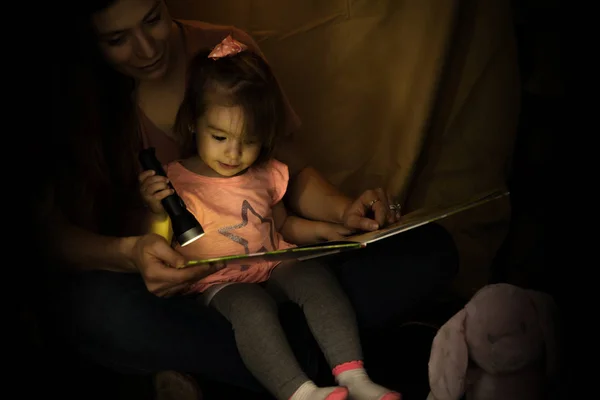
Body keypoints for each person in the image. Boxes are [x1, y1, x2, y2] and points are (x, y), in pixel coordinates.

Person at [42, 0, 458, 396]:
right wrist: (133, 253)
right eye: (117, 39)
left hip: (274, 260)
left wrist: (344, 214)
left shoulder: (228, 50)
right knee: (90, 309)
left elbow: (287, 175)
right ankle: (312, 362)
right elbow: (52, 237)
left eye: (153, 19)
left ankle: (260, 370)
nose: (148, 48)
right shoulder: (77, 99)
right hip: (190, 294)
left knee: (429, 249)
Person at [137, 37, 402, 400]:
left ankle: (354, 377)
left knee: (314, 277)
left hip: (271, 263)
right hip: (218, 281)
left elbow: (282, 226)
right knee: (251, 306)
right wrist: (155, 212)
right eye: (220, 137)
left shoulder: (265, 172)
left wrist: (334, 231)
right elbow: (154, 245)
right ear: (194, 123)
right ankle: (299, 392)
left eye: (249, 141)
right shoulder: (174, 180)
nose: (233, 153)